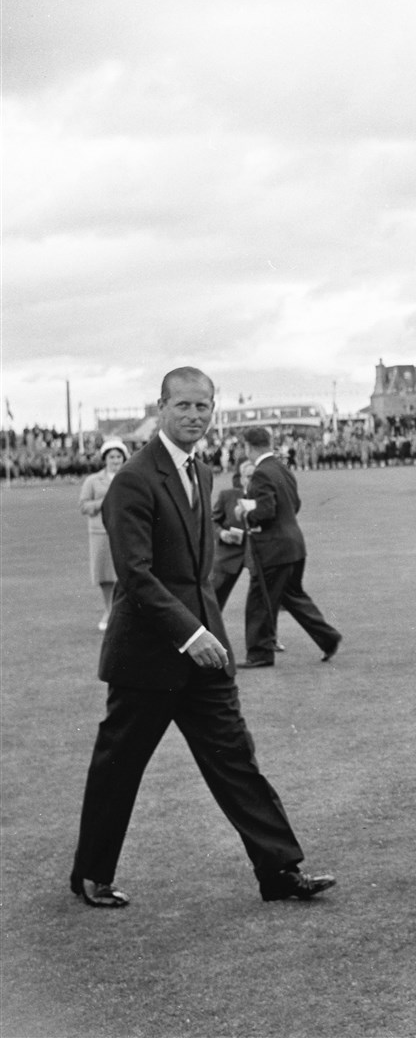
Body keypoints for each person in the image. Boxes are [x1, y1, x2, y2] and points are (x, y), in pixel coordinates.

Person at [69, 367, 336, 907]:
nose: (195, 415)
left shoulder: (204, 470)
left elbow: (197, 571)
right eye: (184, 405)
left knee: (237, 761)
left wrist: (209, 634)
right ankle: (91, 875)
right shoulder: (135, 480)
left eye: (203, 407)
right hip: (148, 658)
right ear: (161, 407)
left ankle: (280, 871)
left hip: (205, 655)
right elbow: (136, 575)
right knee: (118, 768)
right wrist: (191, 635)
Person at [236, 427, 342, 669]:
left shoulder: (261, 473)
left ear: (249, 447)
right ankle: (328, 638)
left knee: (259, 601)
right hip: (293, 545)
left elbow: (266, 511)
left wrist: (246, 510)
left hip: (273, 550)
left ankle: (260, 653)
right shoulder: (282, 468)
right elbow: (294, 504)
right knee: (293, 596)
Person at [78, 437, 128, 631]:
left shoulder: (130, 478)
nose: (115, 461)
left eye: (118, 457)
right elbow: (83, 506)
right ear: (105, 459)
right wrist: (105, 501)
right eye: (111, 457)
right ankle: (109, 610)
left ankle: (122, 613)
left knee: (124, 574)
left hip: (126, 532)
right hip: (101, 532)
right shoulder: (92, 481)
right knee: (105, 575)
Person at [210, 459, 254, 609]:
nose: (252, 481)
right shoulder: (227, 496)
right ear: (241, 479)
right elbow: (212, 521)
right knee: (212, 602)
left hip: (254, 558)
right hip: (228, 556)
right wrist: (221, 533)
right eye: (249, 477)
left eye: (256, 477)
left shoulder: (265, 499)